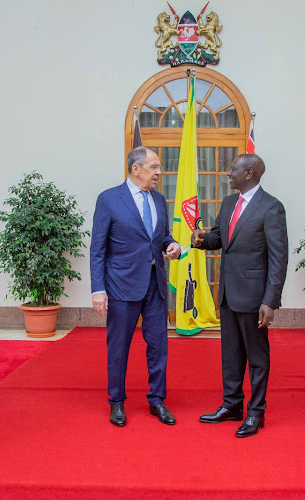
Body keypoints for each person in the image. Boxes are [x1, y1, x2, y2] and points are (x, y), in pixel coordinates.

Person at [191, 153, 288, 438]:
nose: (227, 173)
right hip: (229, 294)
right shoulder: (229, 203)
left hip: (255, 297)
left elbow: (278, 258)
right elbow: (219, 238)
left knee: (257, 357)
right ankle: (232, 405)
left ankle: (256, 412)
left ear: (249, 174)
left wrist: (270, 301)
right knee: (231, 355)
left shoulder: (272, 207)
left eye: (233, 169)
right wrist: (200, 240)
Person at [90, 146, 181, 427]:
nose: (159, 172)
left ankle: (157, 400)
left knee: (158, 346)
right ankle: (116, 402)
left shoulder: (159, 200)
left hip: (155, 286)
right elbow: (97, 249)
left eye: (159, 167)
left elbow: (162, 236)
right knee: (118, 347)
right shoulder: (109, 199)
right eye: (154, 167)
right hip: (121, 287)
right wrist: (98, 289)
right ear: (136, 169)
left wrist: (172, 244)